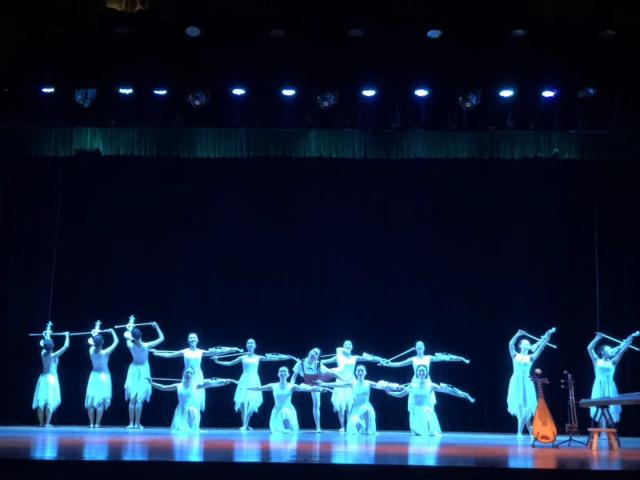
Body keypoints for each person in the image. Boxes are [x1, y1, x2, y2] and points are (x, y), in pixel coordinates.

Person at [214, 338, 293, 430]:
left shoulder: (258, 357)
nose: (250, 344)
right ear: (246, 346)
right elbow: (230, 363)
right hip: (244, 379)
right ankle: (244, 425)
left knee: (252, 402)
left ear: (255, 346)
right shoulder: (242, 357)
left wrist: (286, 357)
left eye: (252, 343)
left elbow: (273, 359)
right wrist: (217, 361)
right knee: (243, 402)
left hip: (254, 379)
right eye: (249, 343)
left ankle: (246, 424)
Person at [152, 333, 240, 412]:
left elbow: (216, 352)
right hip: (187, 375)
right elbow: (170, 355)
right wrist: (157, 353)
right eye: (190, 338)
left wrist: (230, 350)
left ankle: (195, 419)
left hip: (198, 375)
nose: (192, 339)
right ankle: (185, 416)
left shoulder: (201, 351)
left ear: (197, 340)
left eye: (194, 338)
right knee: (187, 395)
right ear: (188, 341)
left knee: (197, 395)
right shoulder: (184, 351)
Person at [380, 340, 469, 415]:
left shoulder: (428, 357)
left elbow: (445, 358)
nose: (420, 346)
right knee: (415, 400)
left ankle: (428, 419)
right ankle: (416, 418)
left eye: (421, 345)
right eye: (418, 345)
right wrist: (386, 364)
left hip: (427, 382)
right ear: (415, 348)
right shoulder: (412, 359)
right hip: (416, 382)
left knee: (428, 401)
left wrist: (460, 358)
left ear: (424, 348)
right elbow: (399, 364)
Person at [385, 364, 474, 436]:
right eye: (419, 371)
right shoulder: (412, 385)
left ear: (426, 373)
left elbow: (448, 391)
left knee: (429, 431)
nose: (421, 372)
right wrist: (389, 393)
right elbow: (400, 394)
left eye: (423, 371)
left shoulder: (431, 385)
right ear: (417, 373)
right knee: (420, 434)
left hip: (427, 411)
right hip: (416, 413)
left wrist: (463, 394)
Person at [321, 340, 386, 432]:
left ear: (352, 347)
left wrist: (380, 359)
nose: (348, 345)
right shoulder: (339, 357)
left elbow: (370, 359)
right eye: (346, 344)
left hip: (351, 381)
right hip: (341, 380)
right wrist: (314, 361)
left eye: (349, 344)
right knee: (341, 406)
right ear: (343, 347)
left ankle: (350, 425)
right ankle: (342, 426)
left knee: (350, 405)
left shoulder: (354, 357)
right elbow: (324, 361)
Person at [320, 365, 401, 435]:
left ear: (365, 373)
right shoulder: (352, 383)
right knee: (355, 428)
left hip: (366, 407)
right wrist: (324, 384)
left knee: (365, 409)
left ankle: (367, 429)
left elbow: (382, 386)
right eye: (358, 370)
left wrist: (396, 387)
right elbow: (337, 384)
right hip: (355, 409)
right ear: (356, 373)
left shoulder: (368, 383)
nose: (360, 372)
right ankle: (360, 426)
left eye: (362, 370)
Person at [148, 367, 232, 433]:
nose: (189, 374)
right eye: (187, 372)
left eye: (191, 373)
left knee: (190, 411)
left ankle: (193, 428)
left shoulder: (196, 385)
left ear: (192, 375)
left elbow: (210, 384)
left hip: (193, 409)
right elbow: (163, 387)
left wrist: (223, 382)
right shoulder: (178, 386)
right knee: (181, 431)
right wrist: (151, 383)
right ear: (184, 374)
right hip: (181, 410)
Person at [248, 366, 328, 433]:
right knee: (277, 431)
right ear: (278, 374)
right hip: (277, 410)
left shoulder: (291, 386)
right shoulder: (273, 386)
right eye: (281, 371)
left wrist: (320, 390)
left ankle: (288, 428)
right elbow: (259, 388)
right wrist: (247, 388)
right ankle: (284, 428)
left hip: (288, 410)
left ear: (288, 374)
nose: (283, 373)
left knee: (285, 411)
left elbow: (307, 389)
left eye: (285, 371)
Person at [506, 328, 556, 436]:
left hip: (526, 382)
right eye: (525, 342)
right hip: (516, 382)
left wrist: (547, 336)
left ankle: (520, 432)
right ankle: (529, 432)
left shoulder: (531, 357)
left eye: (529, 343)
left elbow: (541, 348)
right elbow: (510, 344)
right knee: (520, 408)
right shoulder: (515, 355)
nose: (528, 343)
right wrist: (517, 334)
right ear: (520, 345)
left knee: (527, 407)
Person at [588, 331, 639, 425]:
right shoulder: (596, 360)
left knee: (611, 408)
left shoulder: (613, 361)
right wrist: (597, 338)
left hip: (610, 386)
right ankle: (602, 430)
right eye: (608, 349)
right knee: (599, 408)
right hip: (598, 385)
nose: (610, 350)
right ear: (602, 352)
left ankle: (608, 430)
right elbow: (589, 348)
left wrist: (628, 342)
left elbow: (622, 350)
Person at [124, 321, 165, 429]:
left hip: (133, 370)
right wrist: (156, 326)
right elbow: (161, 338)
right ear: (141, 334)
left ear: (133, 337)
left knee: (133, 399)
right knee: (138, 400)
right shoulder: (146, 345)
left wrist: (130, 325)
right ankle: (137, 423)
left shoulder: (130, 345)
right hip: (142, 371)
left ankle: (131, 423)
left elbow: (127, 336)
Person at [290, 347, 340, 432]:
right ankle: (323, 390)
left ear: (317, 357)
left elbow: (330, 373)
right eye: (313, 351)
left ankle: (318, 427)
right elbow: (294, 376)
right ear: (310, 352)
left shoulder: (318, 364)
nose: (313, 353)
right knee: (302, 386)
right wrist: (290, 386)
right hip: (306, 384)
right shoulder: (300, 363)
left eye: (316, 353)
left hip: (317, 382)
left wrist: (342, 379)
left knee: (317, 404)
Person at [33, 331, 70, 426]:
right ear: (53, 345)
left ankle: (41, 423)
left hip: (43, 379)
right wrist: (67, 335)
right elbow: (66, 346)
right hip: (51, 380)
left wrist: (47, 333)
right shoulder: (54, 355)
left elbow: (46, 343)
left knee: (41, 401)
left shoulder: (42, 353)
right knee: (49, 401)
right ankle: (47, 423)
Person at [85, 328, 119, 427]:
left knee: (91, 400)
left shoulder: (91, 350)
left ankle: (91, 423)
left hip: (94, 376)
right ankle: (97, 423)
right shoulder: (105, 352)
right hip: (103, 377)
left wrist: (96, 331)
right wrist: (112, 332)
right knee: (100, 401)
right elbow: (116, 341)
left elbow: (92, 342)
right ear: (102, 342)